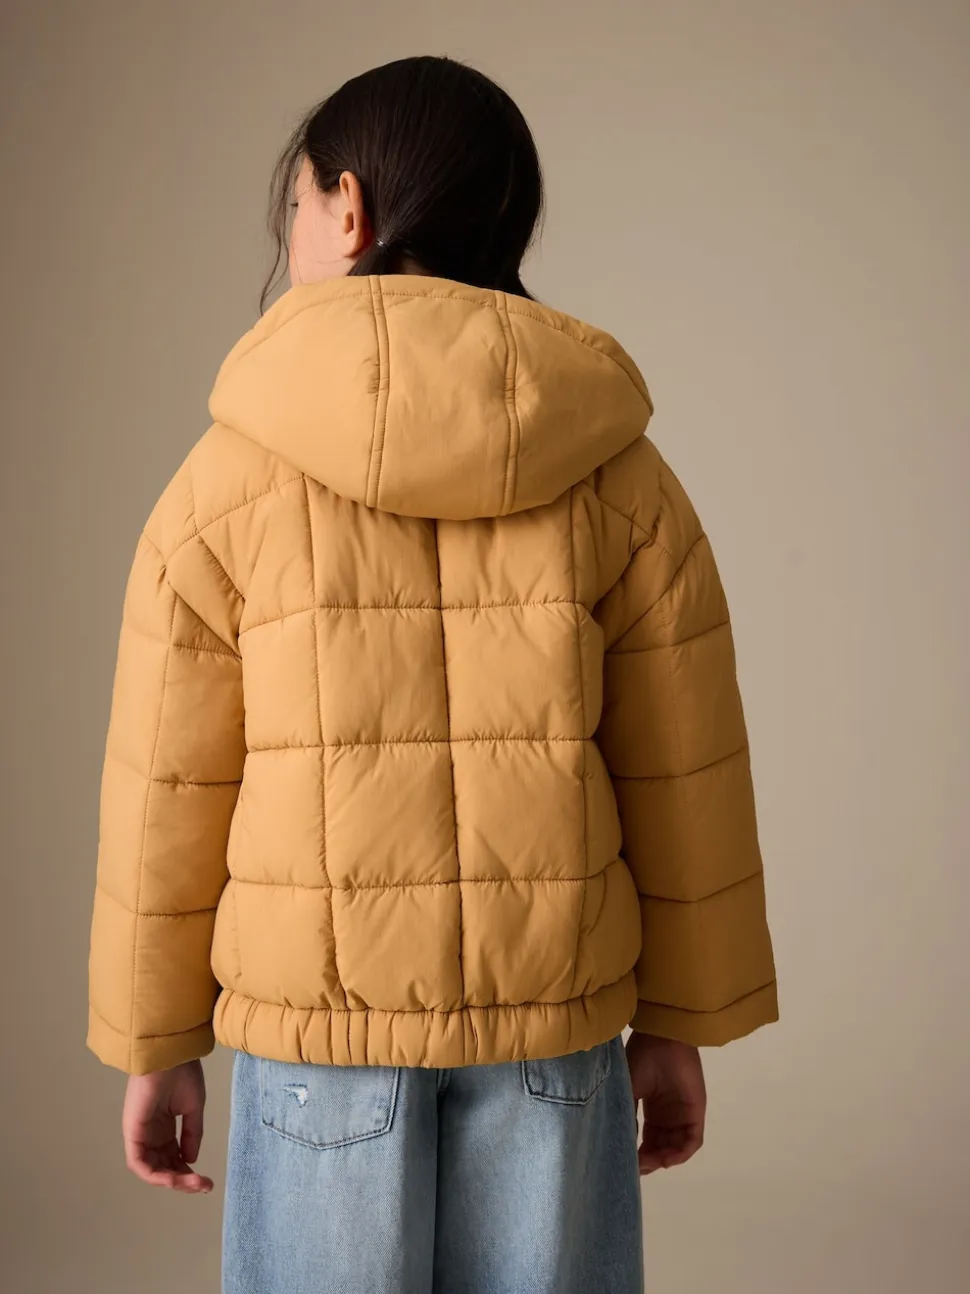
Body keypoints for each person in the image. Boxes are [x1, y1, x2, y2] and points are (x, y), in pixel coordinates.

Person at [86, 54, 778, 1294]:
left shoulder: (222, 484)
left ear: (347, 212)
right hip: (552, 1023)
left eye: (296, 205)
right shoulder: (621, 476)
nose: (293, 233)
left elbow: (165, 789)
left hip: (319, 1035)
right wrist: (679, 1020)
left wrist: (156, 1039)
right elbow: (686, 772)